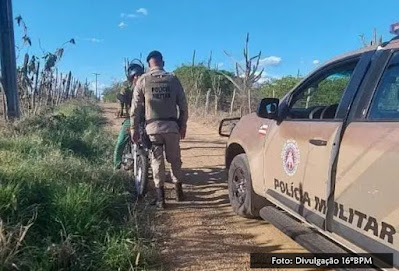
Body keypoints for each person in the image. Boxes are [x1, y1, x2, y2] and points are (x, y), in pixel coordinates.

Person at [131, 50, 188, 209]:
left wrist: (133, 129)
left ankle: (160, 199)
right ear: (162, 62)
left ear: (149, 65)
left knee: (157, 161)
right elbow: (183, 105)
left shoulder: (143, 80)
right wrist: (183, 125)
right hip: (172, 127)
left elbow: (135, 108)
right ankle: (179, 193)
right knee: (175, 160)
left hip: (153, 129)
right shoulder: (173, 79)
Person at [113, 62, 145, 170]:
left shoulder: (148, 85)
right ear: (130, 78)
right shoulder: (126, 89)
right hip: (131, 119)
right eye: (134, 76)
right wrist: (120, 111)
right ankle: (116, 166)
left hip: (147, 119)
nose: (137, 78)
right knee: (121, 141)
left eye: (139, 75)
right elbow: (120, 100)